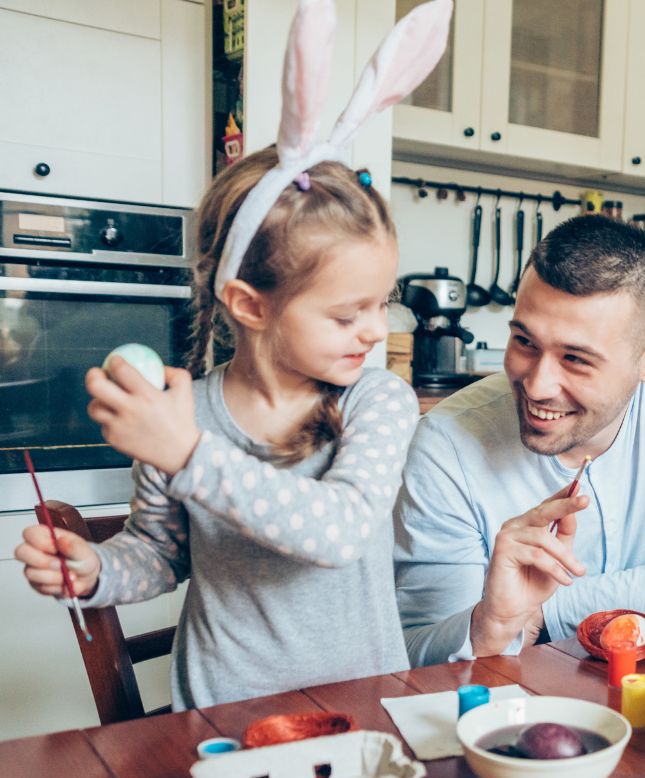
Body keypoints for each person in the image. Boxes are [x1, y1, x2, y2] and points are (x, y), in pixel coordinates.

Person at [13, 0, 453, 709]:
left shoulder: (376, 399)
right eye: (347, 313)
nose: (375, 330)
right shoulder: (185, 415)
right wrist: (95, 568)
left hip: (362, 708)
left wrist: (188, 456)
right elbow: (160, 554)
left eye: (381, 302)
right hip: (219, 717)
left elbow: (336, 531)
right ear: (250, 304)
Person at [395, 215, 645, 666]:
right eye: (524, 341)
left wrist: (545, 612)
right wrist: (492, 622)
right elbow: (412, 657)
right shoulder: (444, 446)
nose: (537, 385)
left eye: (575, 359)